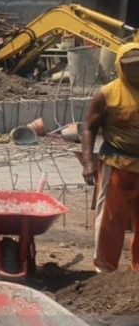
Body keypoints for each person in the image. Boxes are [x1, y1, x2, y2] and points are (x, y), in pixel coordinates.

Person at [82, 43, 139, 272]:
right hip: (117, 165)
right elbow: (89, 129)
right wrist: (88, 162)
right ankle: (105, 271)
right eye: (130, 67)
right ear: (120, 67)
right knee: (110, 221)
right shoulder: (107, 94)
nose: (136, 71)